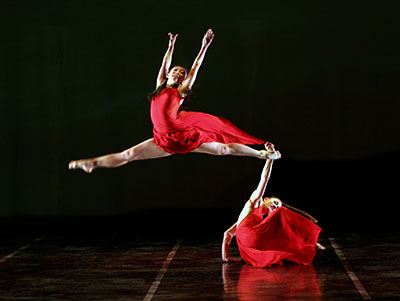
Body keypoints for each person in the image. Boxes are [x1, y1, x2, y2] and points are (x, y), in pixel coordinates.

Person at [69, 29, 274, 173]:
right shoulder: (160, 85)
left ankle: (261, 154)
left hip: (184, 136)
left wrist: (203, 47)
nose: (178, 73)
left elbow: (194, 69)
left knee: (222, 149)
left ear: (183, 80)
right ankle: (92, 163)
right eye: (175, 71)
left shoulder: (180, 91)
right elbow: (164, 63)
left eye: (181, 73)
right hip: (163, 140)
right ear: (168, 74)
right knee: (128, 154)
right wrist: (171, 44)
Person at [222, 143, 325, 268]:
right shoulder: (256, 201)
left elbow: (227, 234)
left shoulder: (252, 222)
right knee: (281, 212)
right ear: (267, 199)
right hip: (249, 240)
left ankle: (308, 243)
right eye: (275, 202)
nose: (274, 207)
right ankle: (309, 240)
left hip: (250, 243)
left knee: (279, 236)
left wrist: (225, 257)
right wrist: (270, 158)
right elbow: (264, 179)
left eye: (276, 206)